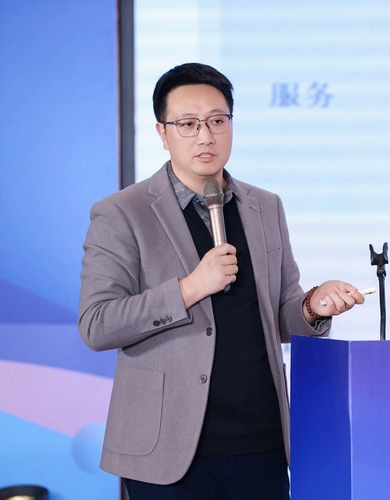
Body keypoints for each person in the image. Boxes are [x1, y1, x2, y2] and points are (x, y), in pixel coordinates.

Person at [78, 62, 364, 500]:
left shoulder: (265, 206)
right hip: (169, 449)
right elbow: (97, 324)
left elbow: (278, 313)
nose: (206, 136)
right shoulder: (122, 213)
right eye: (188, 124)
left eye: (217, 121)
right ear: (162, 133)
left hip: (262, 441)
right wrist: (190, 288)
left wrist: (312, 307)